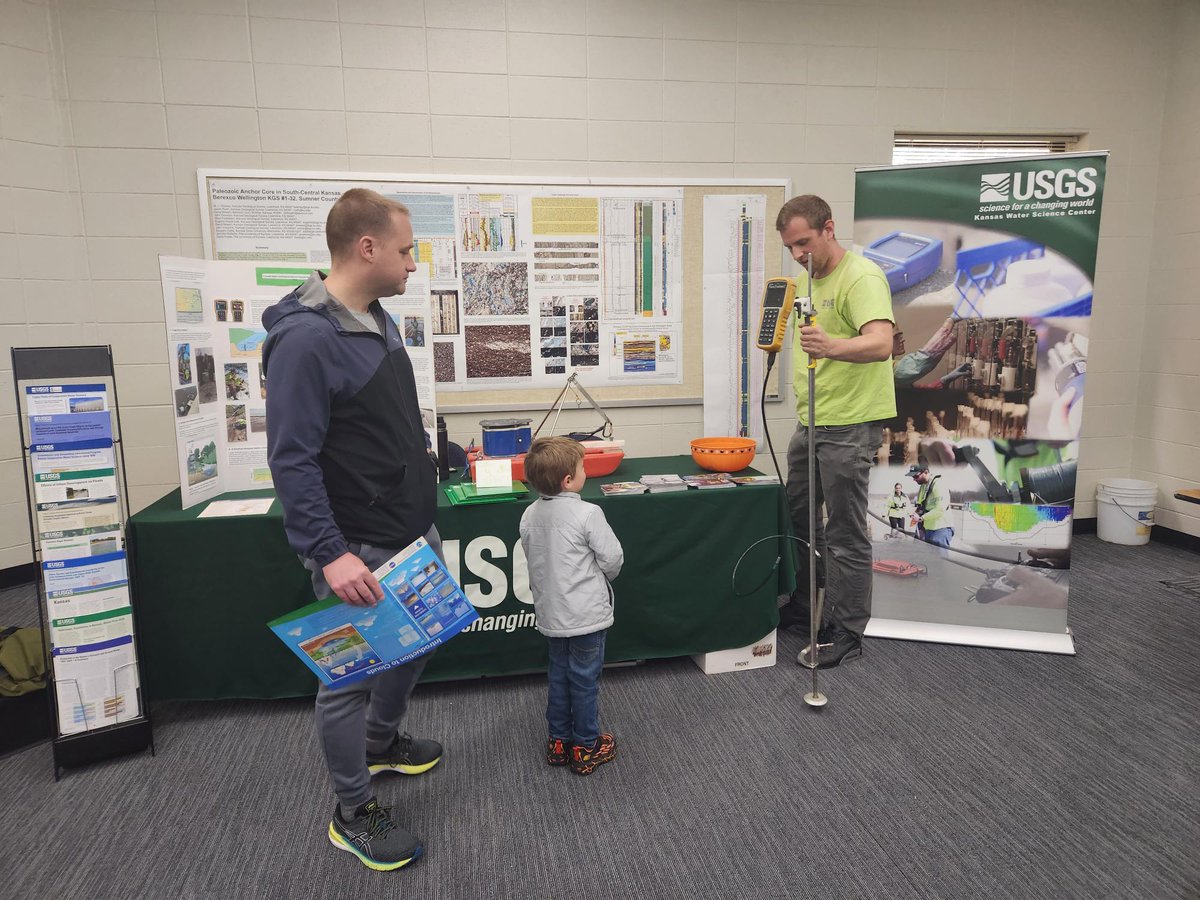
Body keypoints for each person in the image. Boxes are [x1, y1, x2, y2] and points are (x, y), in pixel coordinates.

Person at [263, 188, 443, 872]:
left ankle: (381, 739)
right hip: (355, 546)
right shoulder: (306, 340)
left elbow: (381, 424)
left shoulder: (380, 318)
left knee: (419, 642)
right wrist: (328, 553)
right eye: (405, 251)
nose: (412, 265)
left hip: (408, 528)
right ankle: (351, 810)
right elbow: (293, 459)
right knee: (346, 680)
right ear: (366, 248)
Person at [773, 195, 896, 669]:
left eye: (804, 242)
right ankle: (808, 605)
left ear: (829, 228)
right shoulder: (808, 277)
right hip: (814, 421)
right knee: (801, 518)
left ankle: (847, 630)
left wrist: (832, 345)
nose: (798, 253)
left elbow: (882, 342)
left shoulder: (862, 277)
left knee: (844, 531)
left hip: (850, 424)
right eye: (790, 247)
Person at [519, 437, 624, 776]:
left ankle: (559, 741)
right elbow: (612, 558)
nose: (584, 472)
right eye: (581, 468)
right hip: (586, 618)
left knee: (559, 676)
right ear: (568, 480)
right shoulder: (588, 512)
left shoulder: (529, 514)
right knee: (584, 680)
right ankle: (586, 746)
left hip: (551, 615)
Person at [908, 463, 954, 549]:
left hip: (940, 528)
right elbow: (921, 505)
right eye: (912, 477)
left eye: (916, 476)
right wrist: (916, 513)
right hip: (928, 528)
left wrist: (921, 518)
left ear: (925, 472)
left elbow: (940, 509)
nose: (914, 479)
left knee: (939, 560)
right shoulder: (923, 486)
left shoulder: (939, 484)